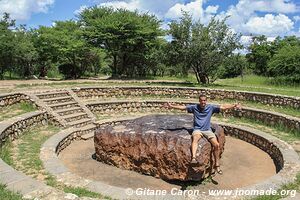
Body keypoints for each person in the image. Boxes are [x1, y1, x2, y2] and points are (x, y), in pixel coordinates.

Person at [165, 94, 241, 175]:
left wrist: (234, 105)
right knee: (195, 140)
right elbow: (183, 107)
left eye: (204, 100)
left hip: (207, 130)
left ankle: (217, 165)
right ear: (199, 101)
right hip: (197, 129)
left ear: (206, 101)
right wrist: (172, 106)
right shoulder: (194, 107)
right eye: (201, 100)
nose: (203, 102)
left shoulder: (211, 107)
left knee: (216, 145)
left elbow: (223, 107)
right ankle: (193, 158)